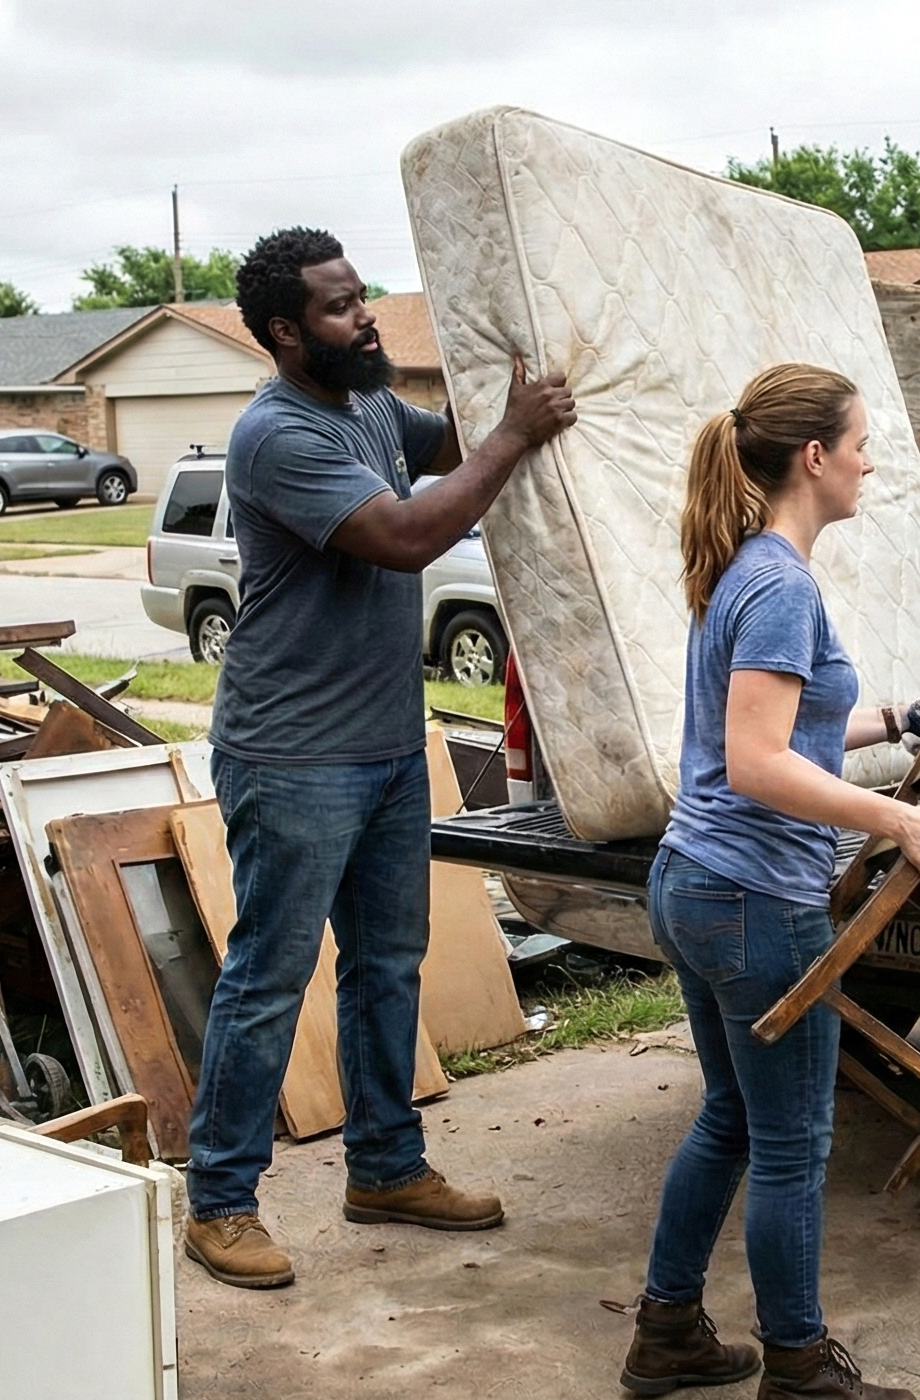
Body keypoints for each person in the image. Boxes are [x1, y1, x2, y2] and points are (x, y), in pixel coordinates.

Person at [181, 226, 575, 1289]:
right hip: (292, 754)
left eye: (362, 296)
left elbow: (448, 447)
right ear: (282, 331)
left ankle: (385, 1167)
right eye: (341, 307)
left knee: (385, 963)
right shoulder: (274, 435)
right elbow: (407, 533)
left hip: (387, 745)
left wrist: (506, 379)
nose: (365, 319)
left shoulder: (363, 402)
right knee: (268, 978)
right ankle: (219, 1203)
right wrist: (510, 437)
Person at [617, 363, 920, 1400]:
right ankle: (800, 1371)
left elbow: (779, 736)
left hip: (698, 882)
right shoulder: (779, 585)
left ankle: (668, 1330)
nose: (869, 458)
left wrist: (896, 720)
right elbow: (757, 762)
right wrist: (900, 820)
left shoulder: (750, 573)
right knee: (787, 1144)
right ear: (812, 458)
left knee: (731, 1117)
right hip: (752, 899)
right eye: (859, 441)